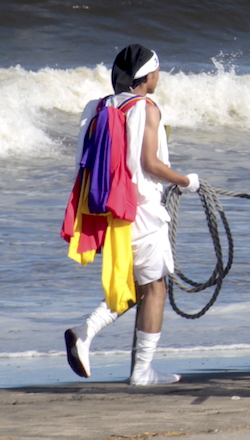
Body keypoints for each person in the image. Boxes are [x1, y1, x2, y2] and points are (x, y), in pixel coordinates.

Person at [62, 44, 199, 387]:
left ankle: (87, 334)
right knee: (155, 287)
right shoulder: (147, 108)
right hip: (140, 210)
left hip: (107, 210)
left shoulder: (96, 107)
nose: (159, 77)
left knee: (137, 284)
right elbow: (149, 164)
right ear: (147, 76)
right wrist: (186, 182)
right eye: (157, 71)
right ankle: (137, 368)